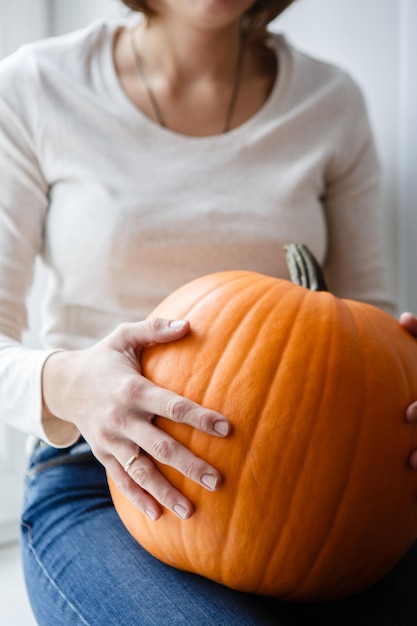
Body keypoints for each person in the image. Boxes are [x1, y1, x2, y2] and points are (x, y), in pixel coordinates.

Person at [1, 0, 417, 623]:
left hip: (324, 486)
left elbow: (368, 326)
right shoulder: (37, 84)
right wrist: (70, 382)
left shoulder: (330, 102)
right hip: (103, 472)